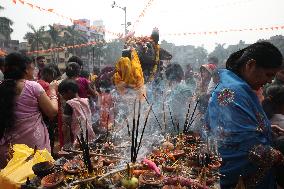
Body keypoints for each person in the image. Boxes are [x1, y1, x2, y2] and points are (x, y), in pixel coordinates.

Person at [207, 41, 284, 188]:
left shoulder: (238, 87)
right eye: (268, 74)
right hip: (238, 176)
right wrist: (278, 155)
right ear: (250, 65)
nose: (269, 81)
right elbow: (245, 144)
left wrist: (266, 128)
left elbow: (237, 126)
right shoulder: (233, 91)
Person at [0, 53, 58, 168]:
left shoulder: (1, 87)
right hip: (33, 146)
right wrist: (53, 92)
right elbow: (52, 112)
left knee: (15, 179)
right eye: (33, 67)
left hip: (9, 148)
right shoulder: (32, 87)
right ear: (26, 69)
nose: (35, 70)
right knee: (37, 179)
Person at [58, 79, 95, 145]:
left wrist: (66, 144)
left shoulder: (70, 104)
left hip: (78, 138)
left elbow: (66, 126)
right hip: (90, 134)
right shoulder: (86, 101)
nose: (63, 97)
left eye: (63, 94)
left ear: (69, 92)